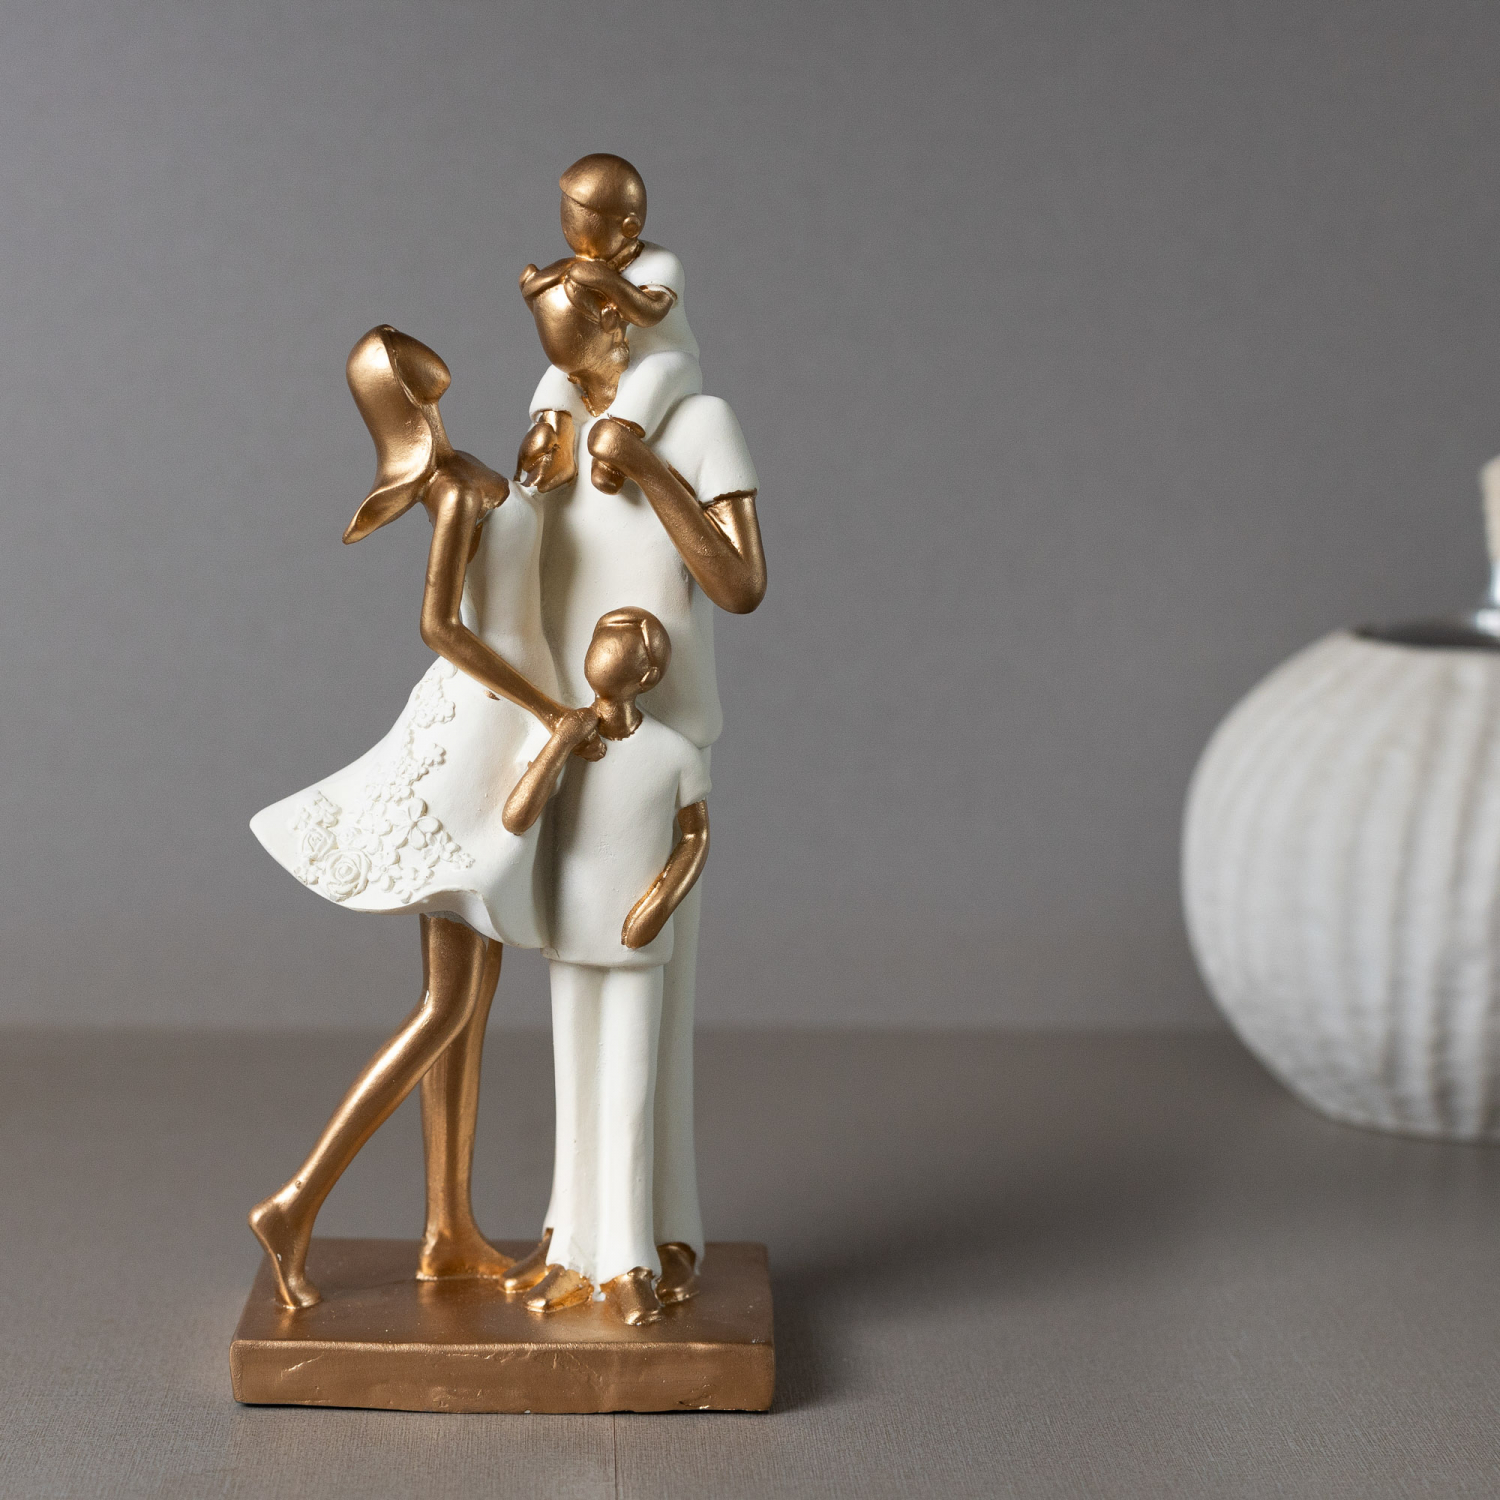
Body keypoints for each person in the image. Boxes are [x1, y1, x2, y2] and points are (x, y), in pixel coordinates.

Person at [246, 326, 599, 1309]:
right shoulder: (453, 490)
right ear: (406, 393)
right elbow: (439, 625)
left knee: (466, 1008)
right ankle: (294, 1204)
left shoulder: (479, 474)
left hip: (497, 735)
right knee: (447, 1005)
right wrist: (548, 710)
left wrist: (542, 483)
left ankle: (448, 1231)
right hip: (472, 746)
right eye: (407, 363)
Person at [506, 324, 767, 1309]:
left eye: (586, 302)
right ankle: (576, 1231)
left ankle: (651, 1237)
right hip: (567, 734)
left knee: (650, 1029)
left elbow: (740, 584)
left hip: (668, 734)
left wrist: (650, 466)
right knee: (575, 1024)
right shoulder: (553, 420)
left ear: (629, 313)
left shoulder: (700, 423)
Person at [501, 607, 710, 1326]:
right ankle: (574, 1255)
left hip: (636, 940)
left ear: (648, 671)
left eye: (620, 642)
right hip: (573, 929)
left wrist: (658, 904)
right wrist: (560, 744)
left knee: (629, 1095)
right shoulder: (566, 739)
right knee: (577, 1089)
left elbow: (694, 837)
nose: (604, 651)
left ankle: (629, 1262)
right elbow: (517, 816)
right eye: (600, 638)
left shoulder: (674, 752)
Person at [516, 153, 701, 497]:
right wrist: (538, 293)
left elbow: (650, 311)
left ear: (629, 227)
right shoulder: (584, 263)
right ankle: (556, 443)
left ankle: (616, 453)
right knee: (559, 375)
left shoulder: (661, 264)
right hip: (603, 364)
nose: (570, 230)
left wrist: (605, 280)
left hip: (661, 359)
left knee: (655, 376)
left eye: (580, 220)